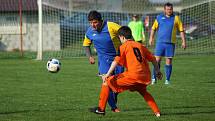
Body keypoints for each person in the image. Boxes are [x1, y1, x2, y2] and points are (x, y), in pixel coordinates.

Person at [89, 26, 163, 117]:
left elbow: (115, 61)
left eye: (119, 38)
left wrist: (107, 75)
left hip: (133, 76)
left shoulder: (123, 46)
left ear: (122, 37)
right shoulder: (140, 46)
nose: (120, 40)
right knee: (143, 92)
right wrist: (158, 71)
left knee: (107, 82)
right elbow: (153, 59)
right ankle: (157, 112)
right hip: (144, 76)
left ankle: (101, 109)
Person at [83, 10, 124, 112]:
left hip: (118, 59)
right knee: (106, 82)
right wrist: (90, 57)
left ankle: (114, 95)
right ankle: (114, 107)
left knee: (119, 84)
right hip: (104, 61)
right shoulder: (89, 31)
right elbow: (86, 45)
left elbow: (125, 34)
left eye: (95, 22)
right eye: (91, 23)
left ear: (101, 21)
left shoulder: (111, 26)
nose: (93, 25)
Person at [149, 2, 186, 85]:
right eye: (168, 9)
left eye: (171, 9)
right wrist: (151, 38)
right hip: (160, 43)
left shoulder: (176, 18)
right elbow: (153, 28)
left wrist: (184, 41)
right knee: (156, 61)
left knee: (168, 61)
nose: (169, 11)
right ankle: (154, 79)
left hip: (170, 44)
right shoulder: (159, 17)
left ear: (172, 9)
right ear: (164, 10)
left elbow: (181, 30)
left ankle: (167, 80)